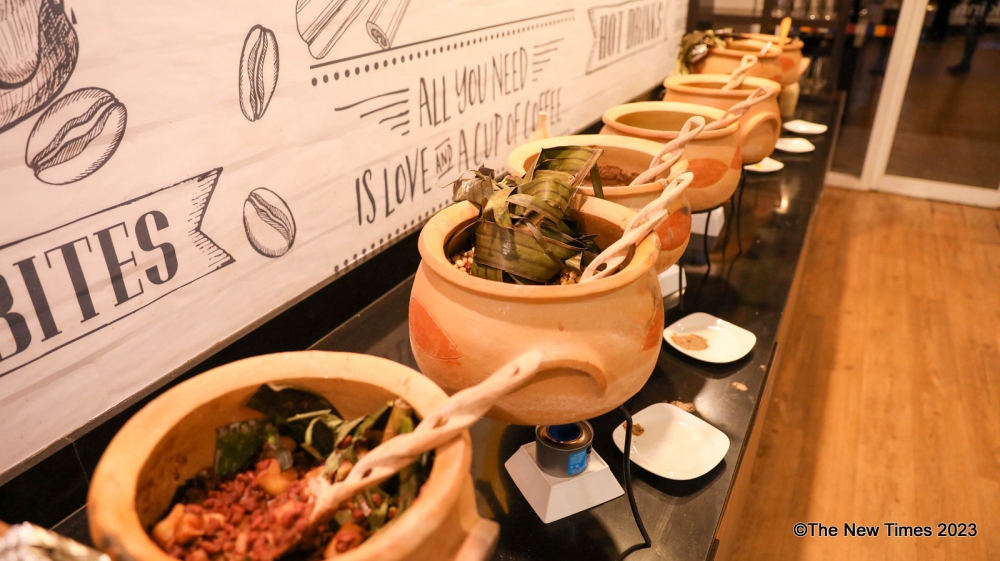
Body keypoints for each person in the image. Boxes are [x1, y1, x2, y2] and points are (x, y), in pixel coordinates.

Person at [949, 0, 999, 74]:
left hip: (981, 4)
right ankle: (965, 63)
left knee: (972, 30)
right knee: (972, 30)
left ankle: (965, 63)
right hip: (981, 4)